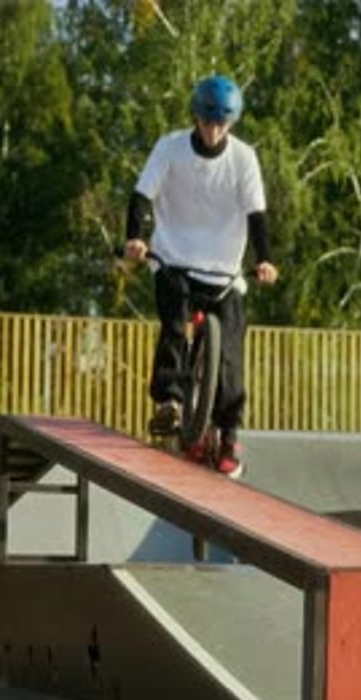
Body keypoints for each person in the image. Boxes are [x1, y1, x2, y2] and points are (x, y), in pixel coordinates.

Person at [125, 74, 278, 479]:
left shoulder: (244, 159)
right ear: (196, 117)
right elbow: (143, 195)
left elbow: (256, 214)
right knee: (174, 323)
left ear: (232, 123)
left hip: (224, 271)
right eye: (208, 122)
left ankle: (229, 433)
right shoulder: (170, 148)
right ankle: (169, 403)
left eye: (222, 124)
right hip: (174, 259)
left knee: (229, 349)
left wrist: (265, 259)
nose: (214, 132)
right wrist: (135, 238)